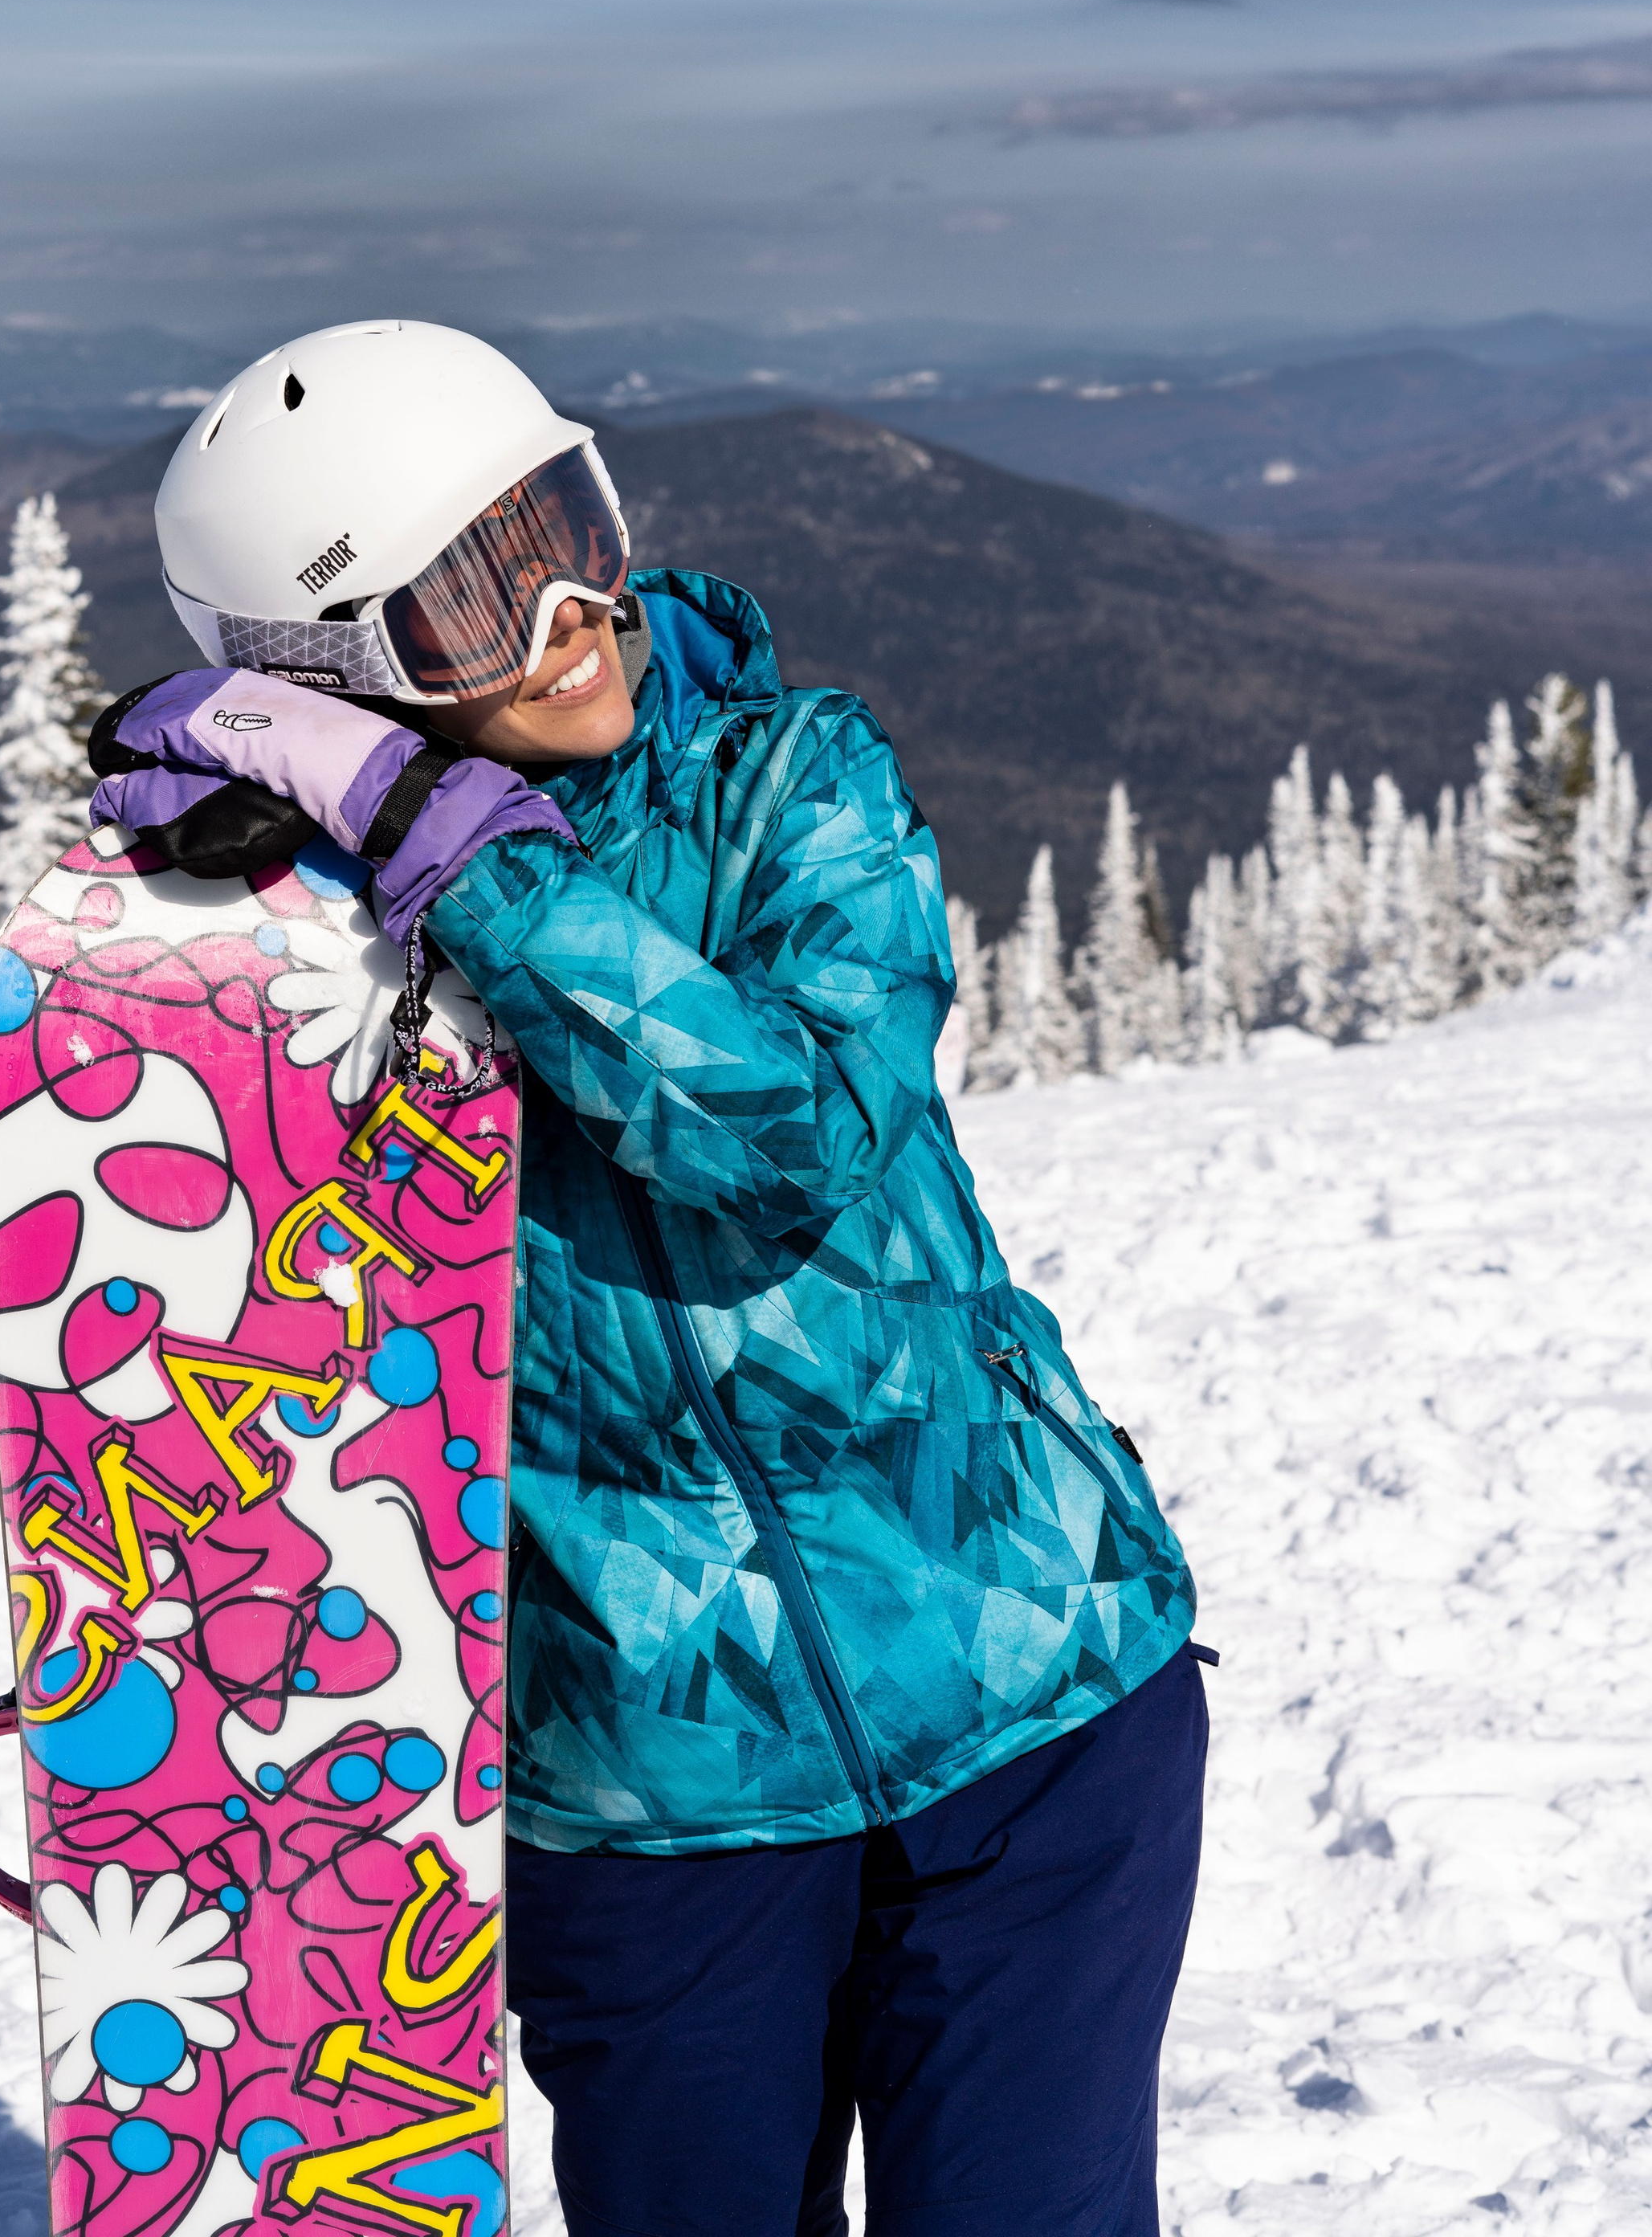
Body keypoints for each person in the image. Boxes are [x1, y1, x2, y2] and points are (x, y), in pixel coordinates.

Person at [87, 317, 1207, 2237]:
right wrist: (212, 936)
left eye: (564, 528)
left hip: (1036, 1699)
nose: (568, 618)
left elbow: (787, 1136)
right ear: (326, 682)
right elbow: (244, 1362)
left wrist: (468, 860)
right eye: (473, 600)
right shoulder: (317, 956)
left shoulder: (789, 780)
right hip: (651, 1799)